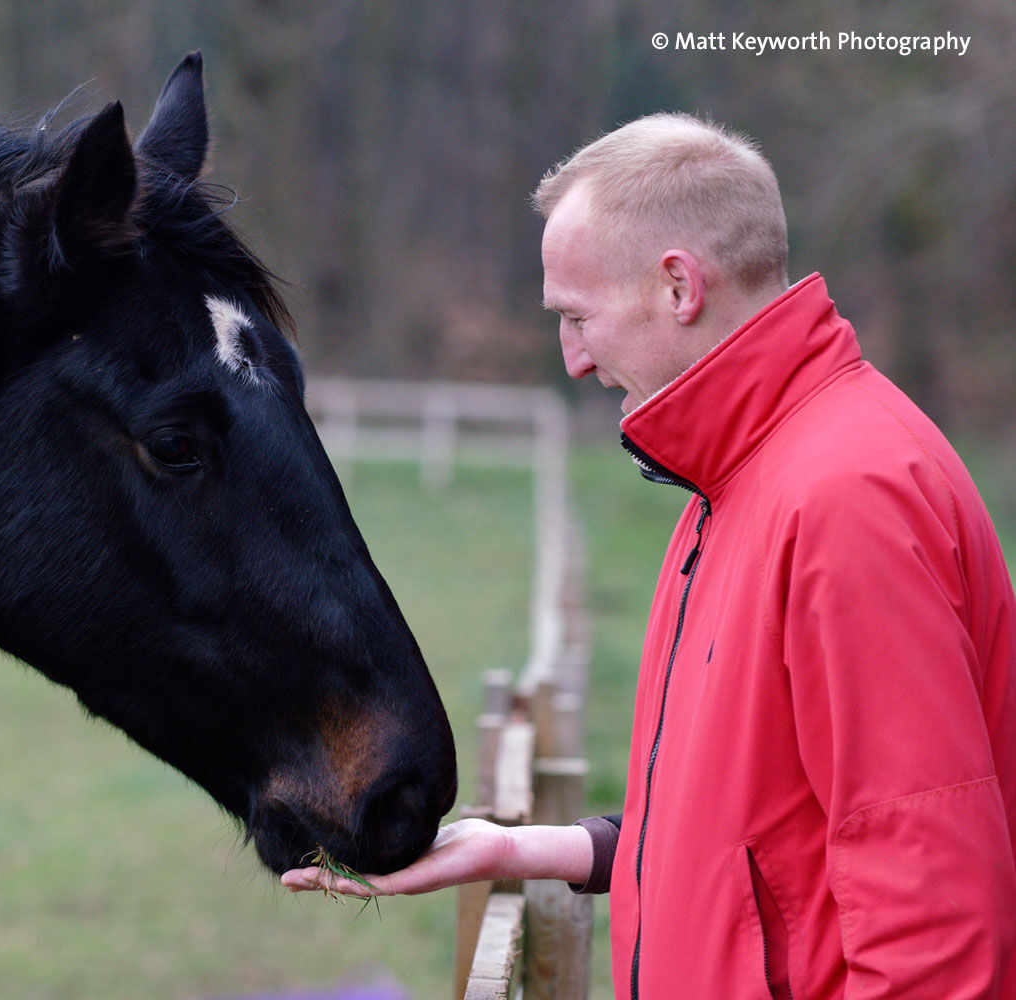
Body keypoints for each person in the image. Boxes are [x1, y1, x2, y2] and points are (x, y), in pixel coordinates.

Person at [284, 112, 1016, 999]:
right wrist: (523, 848)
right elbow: (758, 846)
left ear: (678, 286)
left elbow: (931, 919)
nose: (574, 359)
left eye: (578, 316)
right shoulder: (735, 485)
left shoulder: (846, 500)